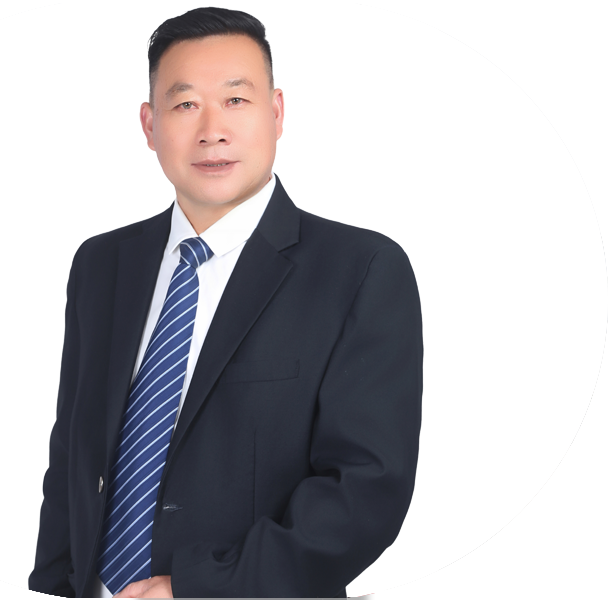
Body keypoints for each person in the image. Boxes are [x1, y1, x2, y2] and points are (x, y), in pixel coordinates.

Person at [29, 7, 423, 598]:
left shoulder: (359, 269)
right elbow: (73, 459)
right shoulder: (101, 264)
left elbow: (364, 492)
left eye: (236, 100)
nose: (211, 130)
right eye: (185, 104)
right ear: (149, 125)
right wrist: (53, 586)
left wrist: (200, 587)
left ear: (277, 112)